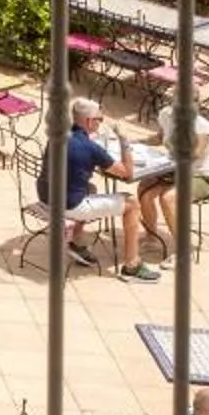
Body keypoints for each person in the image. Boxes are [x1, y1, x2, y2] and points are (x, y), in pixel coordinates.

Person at [43, 98, 160, 280]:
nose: (101, 122)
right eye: (100, 119)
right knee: (131, 204)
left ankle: (76, 242)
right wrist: (124, 140)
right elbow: (127, 173)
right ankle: (132, 265)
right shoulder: (91, 148)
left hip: (46, 196)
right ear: (90, 122)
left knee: (91, 188)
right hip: (69, 205)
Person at [132, 103, 209, 258]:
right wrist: (137, 142)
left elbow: (195, 154)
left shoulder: (202, 127)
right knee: (144, 189)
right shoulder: (166, 115)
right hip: (172, 171)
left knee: (168, 198)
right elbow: (159, 138)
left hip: (198, 175)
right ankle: (152, 238)